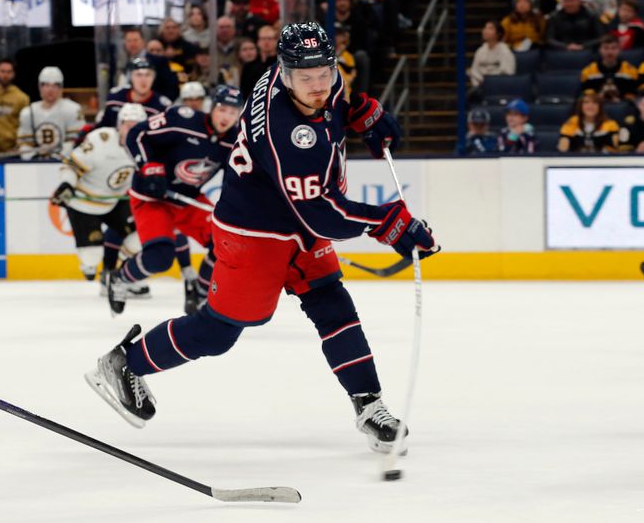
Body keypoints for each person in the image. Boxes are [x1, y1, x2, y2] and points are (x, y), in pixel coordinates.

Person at [86, 23, 438, 455]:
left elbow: (335, 103)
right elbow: (323, 212)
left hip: (296, 222)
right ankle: (125, 362)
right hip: (254, 232)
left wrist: (361, 110)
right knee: (219, 332)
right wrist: (390, 224)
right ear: (284, 74)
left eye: (324, 73)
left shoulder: (312, 77)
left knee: (332, 303)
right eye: (305, 78)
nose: (318, 85)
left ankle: (369, 405)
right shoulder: (286, 132)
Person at [103, 85, 243, 317]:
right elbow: (136, 134)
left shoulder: (235, 140)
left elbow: (235, 180)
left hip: (187, 200)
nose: (226, 117)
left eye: (232, 111)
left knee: (225, 244)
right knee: (160, 259)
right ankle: (120, 278)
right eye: (222, 109)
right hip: (152, 198)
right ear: (212, 107)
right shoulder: (181, 118)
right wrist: (148, 166)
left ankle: (199, 294)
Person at [50, 103, 147, 283]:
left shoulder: (146, 147)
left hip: (115, 201)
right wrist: (66, 184)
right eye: (128, 125)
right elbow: (71, 165)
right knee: (92, 256)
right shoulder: (100, 140)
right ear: (120, 125)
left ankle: (116, 274)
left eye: (137, 126)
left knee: (142, 236)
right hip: (83, 202)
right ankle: (88, 264)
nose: (132, 130)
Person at [16, 66, 84, 160]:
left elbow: (75, 141)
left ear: (61, 87)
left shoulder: (72, 109)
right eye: (46, 85)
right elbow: (25, 144)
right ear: (40, 87)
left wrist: (57, 158)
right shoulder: (28, 112)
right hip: (36, 163)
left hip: (64, 163)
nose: (50, 90)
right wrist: (32, 159)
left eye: (55, 85)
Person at [100, 58, 171, 128]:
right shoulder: (115, 98)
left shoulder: (162, 106)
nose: (143, 80)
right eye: (139, 75)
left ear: (154, 77)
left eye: (148, 75)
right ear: (130, 77)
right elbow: (104, 125)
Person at [580, 35, 639, 102]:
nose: (609, 52)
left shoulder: (631, 71)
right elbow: (586, 97)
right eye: (606, 48)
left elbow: (633, 97)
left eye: (613, 48)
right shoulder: (588, 71)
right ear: (599, 50)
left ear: (619, 50)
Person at [468, 20, 516, 88]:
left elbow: (508, 72)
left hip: (499, 87)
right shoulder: (480, 51)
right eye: (485, 28)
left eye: (490, 28)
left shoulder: (505, 51)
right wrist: (477, 84)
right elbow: (474, 71)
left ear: (498, 33)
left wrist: (490, 82)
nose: (486, 30)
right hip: (481, 87)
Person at [240, 25, 278, 98]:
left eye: (270, 39)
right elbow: (244, 92)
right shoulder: (249, 67)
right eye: (263, 39)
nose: (266, 42)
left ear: (276, 41)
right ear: (258, 42)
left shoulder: (281, 65)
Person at [335, 23, 357, 98]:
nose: (337, 37)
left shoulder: (347, 56)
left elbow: (352, 75)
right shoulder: (325, 53)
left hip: (345, 92)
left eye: (339, 34)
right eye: (335, 34)